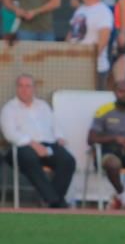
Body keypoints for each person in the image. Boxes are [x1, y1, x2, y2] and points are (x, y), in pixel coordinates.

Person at [0, 74, 75, 208]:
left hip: (47, 144)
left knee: (68, 160)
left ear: (34, 88)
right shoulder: (9, 108)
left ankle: (51, 200)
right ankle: (55, 201)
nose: (24, 89)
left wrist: (59, 137)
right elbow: (9, 133)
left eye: (27, 86)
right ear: (16, 88)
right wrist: (33, 144)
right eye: (20, 86)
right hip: (21, 148)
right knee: (29, 157)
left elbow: (55, 125)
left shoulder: (43, 105)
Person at [88, 81, 125, 209]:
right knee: (113, 163)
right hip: (108, 150)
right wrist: (114, 138)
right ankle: (123, 194)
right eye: (121, 91)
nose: (124, 95)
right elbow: (91, 139)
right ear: (115, 93)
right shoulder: (104, 111)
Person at [67, 0, 114, 89]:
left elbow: (103, 39)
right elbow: (71, 33)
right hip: (75, 65)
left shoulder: (103, 11)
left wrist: (88, 60)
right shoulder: (80, 10)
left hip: (95, 67)